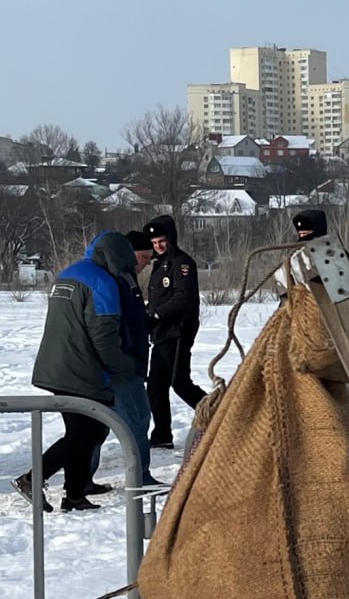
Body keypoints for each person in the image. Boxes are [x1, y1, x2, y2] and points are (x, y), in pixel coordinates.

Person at [12, 232, 140, 512]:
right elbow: (103, 336)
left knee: (83, 431)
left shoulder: (68, 273)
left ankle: (74, 495)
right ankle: (34, 479)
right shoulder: (102, 283)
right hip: (81, 369)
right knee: (87, 433)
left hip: (55, 363)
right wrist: (124, 366)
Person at [86, 230, 161, 490]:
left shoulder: (124, 278)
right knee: (137, 419)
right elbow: (112, 326)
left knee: (98, 424)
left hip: (123, 362)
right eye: (144, 257)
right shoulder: (117, 280)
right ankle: (140, 475)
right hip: (122, 365)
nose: (146, 264)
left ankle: (83, 479)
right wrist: (123, 361)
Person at [144, 214, 206, 450]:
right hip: (161, 333)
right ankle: (161, 434)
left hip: (178, 331)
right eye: (154, 243)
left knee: (179, 382)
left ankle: (220, 415)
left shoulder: (182, 263)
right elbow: (158, 297)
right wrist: (149, 314)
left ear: (171, 239)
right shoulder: (159, 265)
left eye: (162, 241)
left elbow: (182, 298)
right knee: (156, 386)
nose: (158, 246)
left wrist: (157, 315)